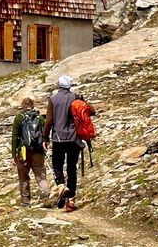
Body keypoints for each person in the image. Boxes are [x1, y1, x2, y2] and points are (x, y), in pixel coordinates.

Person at [43, 75, 94, 212]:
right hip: (74, 139)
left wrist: (44, 138)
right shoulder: (76, 97)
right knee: (72, 168)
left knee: (57, 165)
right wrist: (82, 99)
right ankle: (70, 199)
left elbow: (48, 121)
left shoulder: (53, 99)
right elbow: (92, 111)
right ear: (70, 86)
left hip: (58, 139)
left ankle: (61, 186)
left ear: (58, 85)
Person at [11, 97, 48, 207]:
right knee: (40, 174)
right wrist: (46, 143)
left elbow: (14, 137)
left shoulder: (19, 117)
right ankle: (45, 195)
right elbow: (45, 132)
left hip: (23, 152)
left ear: (22, 106)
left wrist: (13, 155)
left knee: (23, 177)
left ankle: (26, 203)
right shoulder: (39, 117)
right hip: (38, 151)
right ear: (32, 105)